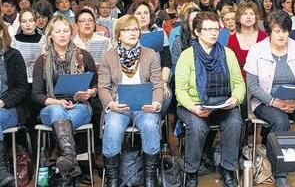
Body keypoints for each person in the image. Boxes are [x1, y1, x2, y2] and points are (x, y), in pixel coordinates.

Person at [244, 11, 295, 187]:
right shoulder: (257, 50)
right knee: (280, 122)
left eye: (285, 31)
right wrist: (275, 102)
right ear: (270, 32)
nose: (281, 35)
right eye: (277, 31)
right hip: (266, 100)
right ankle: (280, 173)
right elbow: (253, 86)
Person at [175, 11, 245, 187]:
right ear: (197, 32)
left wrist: (235, 99)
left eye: (216, 29)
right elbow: (180, 90)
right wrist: (193, 108)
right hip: (193, 104)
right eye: (208, 29)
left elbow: (239, 83)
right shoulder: (187, 55)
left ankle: (228, 169)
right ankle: (191, 172)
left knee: (234, 123)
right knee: (198, 127)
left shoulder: (227, 54)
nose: (214, 33)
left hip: (222, 103)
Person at [32, 15, 98, 184]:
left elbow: (97, 84)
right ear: (50, 35)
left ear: (71, 33)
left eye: (66, 31)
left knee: (66, 117)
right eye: (57, 31)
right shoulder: (42, 60)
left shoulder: (83, 56)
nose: (62, 35)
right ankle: (70, 158)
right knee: (57, 111)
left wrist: (89, 93)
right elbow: (36, 94)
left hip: (79, 106)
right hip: (51, 107)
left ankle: (66, 168)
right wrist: (58, 102)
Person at [99, 15, 164, 187]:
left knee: (150, 125)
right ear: (118, 34)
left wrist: (156, 103)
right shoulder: (108, 57)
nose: (132, 33)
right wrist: (111, 104)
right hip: (118, 106)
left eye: (135, 29)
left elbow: (158, 84)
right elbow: (103, 88)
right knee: (112, 126)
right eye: (127, 30)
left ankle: (150, 177)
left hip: (145, 106)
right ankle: (112, 179)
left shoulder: (151, 54)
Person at [0, 14, 28, 187]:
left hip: (8, 108)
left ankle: (1, 170)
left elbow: (21, 87)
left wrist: (2, 102)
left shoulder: (13, 55)